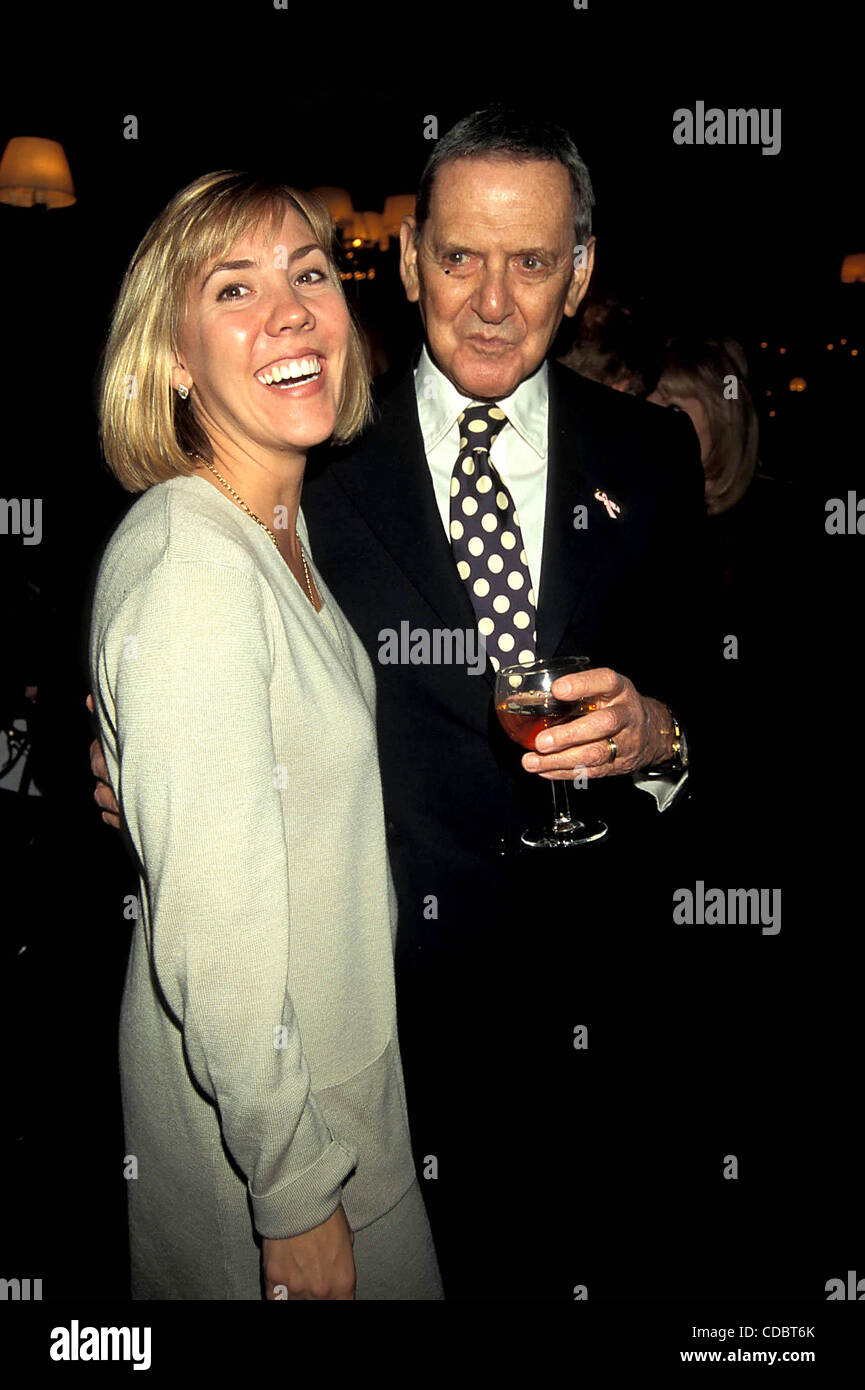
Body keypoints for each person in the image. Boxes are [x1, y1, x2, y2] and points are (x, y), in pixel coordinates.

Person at [93, 109, 710, 1298]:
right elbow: (211, 694)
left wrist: (663, 734)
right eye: (461, 256)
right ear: (413, 256)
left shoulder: (648, 456)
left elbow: (746, 699)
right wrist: (132, 759)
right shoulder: (309, 458)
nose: (490, 298)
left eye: (530, 261)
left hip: (607, 1025)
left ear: (577, 276)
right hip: (384, 1046)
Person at [88, 170, 442, 1300]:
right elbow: (220, 937)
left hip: (344, 1118)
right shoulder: (191, 558)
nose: (291, 311)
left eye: (307, 274)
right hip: (281, 1158)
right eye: (234, 286)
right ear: (174, 359)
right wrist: (290, 1194)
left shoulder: (277, 535)